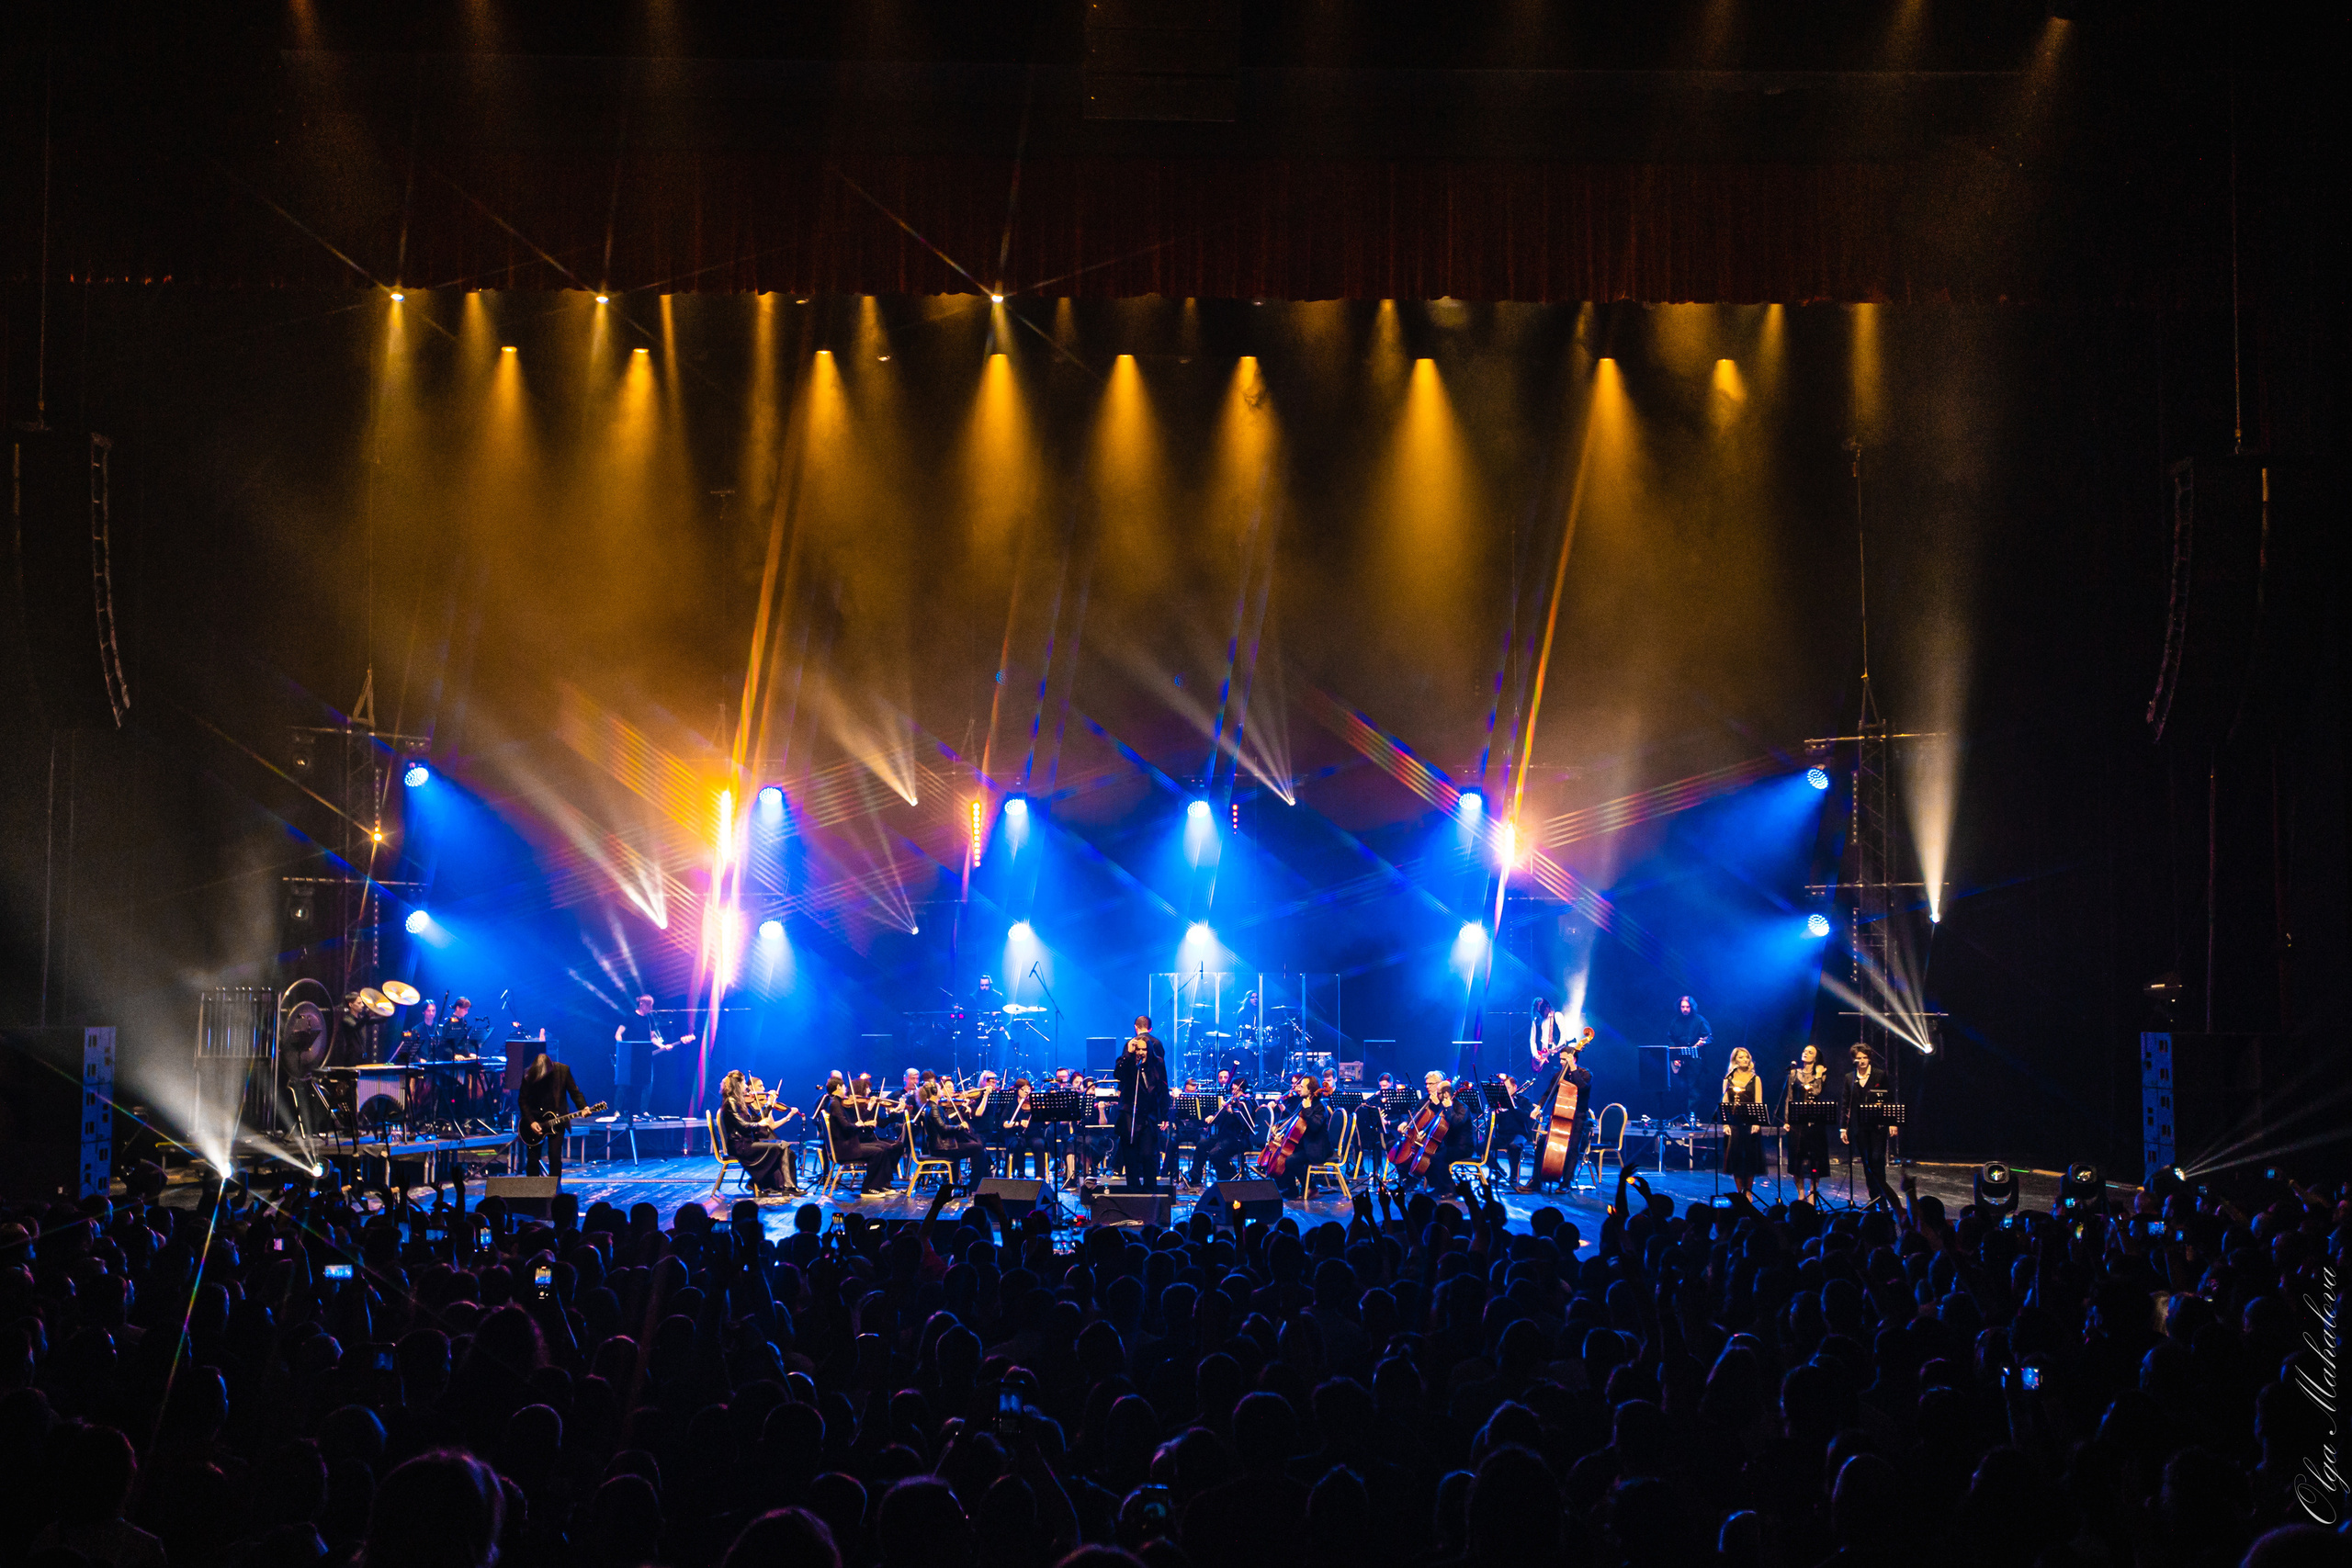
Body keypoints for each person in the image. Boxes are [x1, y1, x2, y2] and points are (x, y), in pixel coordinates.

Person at [1521, 1027, 1594, 1193]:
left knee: (1572, 1148)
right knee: (1541, 1144)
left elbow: (1581, 1088)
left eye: (1563, 1059)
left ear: (1573, 1058)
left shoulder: (1585, 1074)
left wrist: (1572, 1067)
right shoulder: (1559, 1075)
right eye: (1561, 1060)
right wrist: (1539, 1107)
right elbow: (1548, 1093)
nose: (1560, 1062)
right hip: (1559, 1117)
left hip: (1578, 1117)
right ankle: (1536, 1180)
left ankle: (1566, 1183)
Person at [612, 995, 688, 1130]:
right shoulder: (629, 1017)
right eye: (649, 1006)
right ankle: (617, 1110)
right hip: (629, 1055)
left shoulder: (649, 1019)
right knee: (623, 1083)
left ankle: (643, 1111)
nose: (651, 1009)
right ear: (641, 1004)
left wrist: (662, 1046)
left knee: (648, 1082)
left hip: (644, 1055)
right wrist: (623, 1047)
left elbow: (652, 1038)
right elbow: (618, 1034)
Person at [1839, 1043, 1899, 1206]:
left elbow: (1889, 1099)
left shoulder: (1880, 1075)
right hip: (1859, 1126)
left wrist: (1892, 1122)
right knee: (1867, 1162)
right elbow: (1845, 1103)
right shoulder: (1849, 1078)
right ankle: (1874, 1197)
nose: (1862, 1061)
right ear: (1854, 1060)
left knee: (1877, 1159)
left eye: (1865, 1057)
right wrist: (1843, 1127)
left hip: (1878, 1125)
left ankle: (1883, 1197)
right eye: (1859, 1058)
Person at [1114, 1016, 1170, 1190]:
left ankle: (1150, 1189)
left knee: (1148, 1154)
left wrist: (1165, 1114)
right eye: (1138, 1049)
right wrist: (1129, 1055)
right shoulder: (1128, 1064)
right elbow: (1119, 1075)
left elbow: (1163, 1089)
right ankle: (1133, 1191)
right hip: (1129, 1115)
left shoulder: (1158, 1064)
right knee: (1130, 1156)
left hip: (1148, 1116)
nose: (1141, 1053)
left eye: (1144, 1050)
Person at [719, 1071, 796, 1194]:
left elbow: (755, 1120)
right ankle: (771, 1183)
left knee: (783, 1145)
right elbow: (743, 1126)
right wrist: (759, 1124)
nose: (745, 1086)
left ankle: (787, 1185)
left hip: (745, 1143)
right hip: (740, 1146)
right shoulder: (731, 1102)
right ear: (738, 1084)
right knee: (780, 1146)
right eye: (744, 1083)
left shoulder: (737, 1101)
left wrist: (769, 1103)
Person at [516, 1050, 588, 1181]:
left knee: (555, 1156)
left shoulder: (563, 1071)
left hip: (557, 1119)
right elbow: (523, 1100)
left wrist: (583, 1107)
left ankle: (555, 1190)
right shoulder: (528, 1074)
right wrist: (531, 1121)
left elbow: (575, 1092)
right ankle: (532, 1191)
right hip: (535, 1120)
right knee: (532, 1159)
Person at [829, 1073, 903, 1195]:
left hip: (852, 1142)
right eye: (843, 1087)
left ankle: (881, 1183)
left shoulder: (837, 1103)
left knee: (888, 1148)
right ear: (838, 1087)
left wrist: (895, 1111)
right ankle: (869, 1187)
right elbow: (849, 1126)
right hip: (849, 1145)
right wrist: (861, 1123)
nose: (845, 1090)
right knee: (881, 1150)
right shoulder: (837, 1104)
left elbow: (880, 1123)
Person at [1265, 1073, 1330, 1198]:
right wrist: (1279, 1128)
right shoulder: (1304, 1102)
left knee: (1290, 1160)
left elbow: (1315, 1127)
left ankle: (1311, 1187)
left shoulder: (1319, 1106)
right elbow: (1292, 1119)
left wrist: (1307, 1109)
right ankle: (1291, 1189)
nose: (1298, 1088)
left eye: (1302, 1086)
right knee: (1283, 1155)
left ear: (1310, 1090)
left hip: (1317, 1149)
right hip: (1305, 1145)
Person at [918, 1081, 986, 1194]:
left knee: (977, 1146)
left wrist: (961, 1113)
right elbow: (943, 1129)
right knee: (978, 1148)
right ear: (935, 1092)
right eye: (939, 1089)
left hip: (942, 1146)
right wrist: (960, 1127)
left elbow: (946, 1123)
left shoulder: (933, 1106)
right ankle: (975, 1185)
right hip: (942, 1148)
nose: (941, 1091)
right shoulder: (934, 1108)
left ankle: (979, 1183)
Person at [1786, 1043, 1834, 1202]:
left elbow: (1817, 1091)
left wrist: (1819, 1074)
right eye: (1805, 1050)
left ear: (1816, 1057)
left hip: (1815, 1121)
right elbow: (1789, 1097)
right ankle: (1801, 1194)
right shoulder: (1794, 1073)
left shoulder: (1822, 1073)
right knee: (1797, 1159)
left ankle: (1813, 1193)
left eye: (1810, 1052)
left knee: (1815, 1159)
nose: (1806, 1053)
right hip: (1797, 1121)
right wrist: (1787, 1119)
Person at [1190, 1077, 1258, 1185]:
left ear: (1243, 1091)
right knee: (1202, 1144)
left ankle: (1228, 1177)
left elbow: (1246, 1123)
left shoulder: (1246, 1103)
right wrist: (1212, 1117)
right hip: (1223, 1137)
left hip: (1238, 1138)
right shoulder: (1231, 1103)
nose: (1234, 1093)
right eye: (1233, 1090)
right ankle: (1195, 1178)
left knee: (1215, 1154)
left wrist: (1233, 1112)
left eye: (1237, 1090)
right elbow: (1219, 1117)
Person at [1719, 1047, 1766, 1201]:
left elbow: (1758, 1101)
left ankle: (1749, 1191)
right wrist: (1725, 1124)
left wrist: (1757, 1122)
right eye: (1741, 1057)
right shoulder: (1728, 1079)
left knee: (1751, 1158)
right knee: (1736, 1158)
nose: (1745, 1060)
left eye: (1747, 1057)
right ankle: (1740, 1192)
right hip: (1734, 1123)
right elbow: (1725, 1103)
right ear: (1735, 1060)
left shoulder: (1755, 1079)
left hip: (1750, 1123)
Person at [1664, 994, 1712, 1120]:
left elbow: (1709, 1037)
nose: (1685, 1009)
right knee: (1680, 1089)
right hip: (1679, 1058)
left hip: (1695, 1060)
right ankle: (1680, 1117)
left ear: (1692, 1007)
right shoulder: (1675, 1021)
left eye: (1687, 1007)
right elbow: (1671, 1038)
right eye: (1682, 1007)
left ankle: (1692, 1117)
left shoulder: (1700, 1020)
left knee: (1694, 1089)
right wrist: (1675, 1055)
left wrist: (1703, 1042)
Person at [1528, 995, 1568, 1070]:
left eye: (1542, 1011)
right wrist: (1535, 1055)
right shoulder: (1537, 1020)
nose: (1541, 1013)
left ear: (1548, 1007)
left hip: (1556, 1055)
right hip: (1542, 1057)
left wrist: (1557, 1049)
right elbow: (1532, 1040)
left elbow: (1563, 1035)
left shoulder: (1557, 1016)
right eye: (1539, 1011)